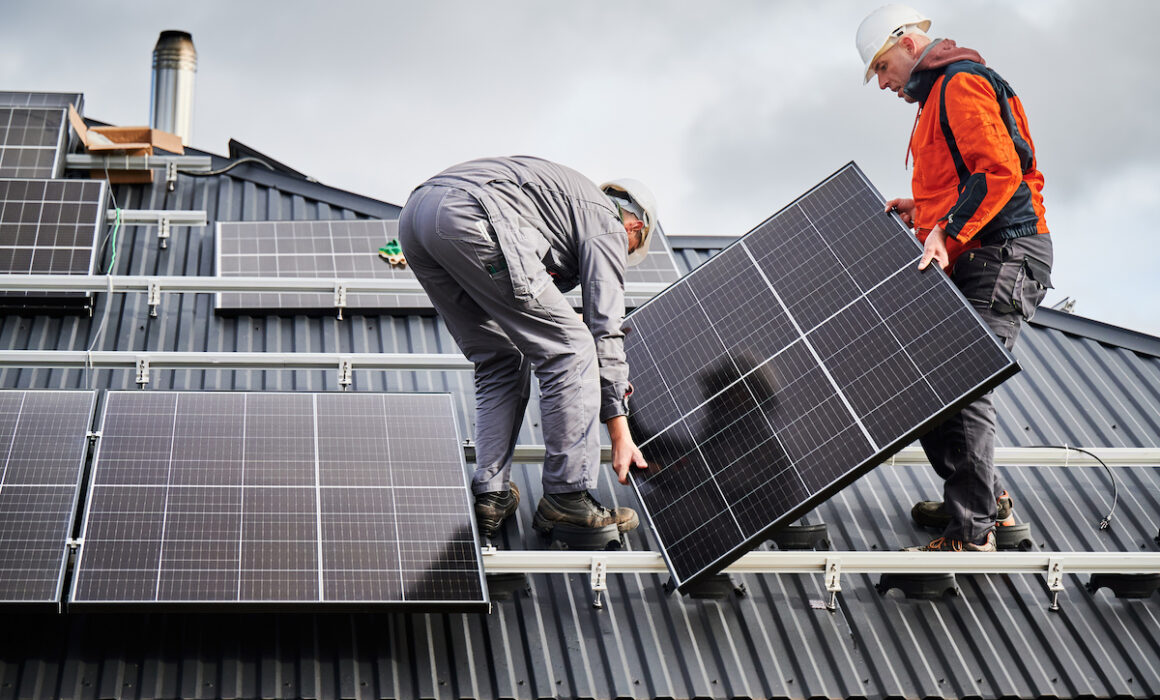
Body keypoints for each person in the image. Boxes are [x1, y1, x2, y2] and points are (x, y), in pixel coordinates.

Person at [856, 5, 1054, 551]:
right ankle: (988, 501)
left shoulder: (960, 82)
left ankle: (973, 530)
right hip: (978, 252)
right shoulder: (936, 97)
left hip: (1003, 254)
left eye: (880, 68)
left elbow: (998, 172)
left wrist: (944, 229)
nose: (882, 84)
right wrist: (922, 211)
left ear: (905, 43)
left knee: (963, 382)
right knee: (929, 385)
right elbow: (961, 181)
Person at [397, 155, 653, 540]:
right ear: (635, 225)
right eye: (630, 248)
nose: (622, 255)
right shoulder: (607, 222)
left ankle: (491, 491)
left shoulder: (563, 204)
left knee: (500, 357)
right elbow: (605, 328)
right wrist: (619, 429)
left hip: (418, 217)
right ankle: (568, 497)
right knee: (571, 348)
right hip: (472, 213)